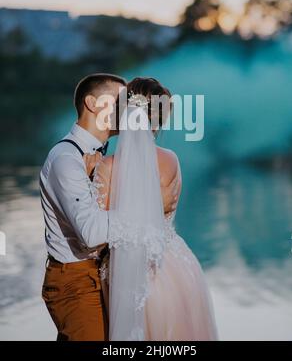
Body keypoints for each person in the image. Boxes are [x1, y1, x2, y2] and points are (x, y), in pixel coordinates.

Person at [40, 73, 180, 341]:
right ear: (93, 104)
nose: (129, 108)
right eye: (120, 101)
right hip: (77, 282)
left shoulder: (103, 158)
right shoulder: (67, 160)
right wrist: (148, 206)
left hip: (102, 276)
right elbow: (91, 233)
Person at [95, 77, 218, 341]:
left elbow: (98, 235)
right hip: (178, 269)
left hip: (133, 279)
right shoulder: (172, 160)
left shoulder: (106, 167)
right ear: (158, 120)